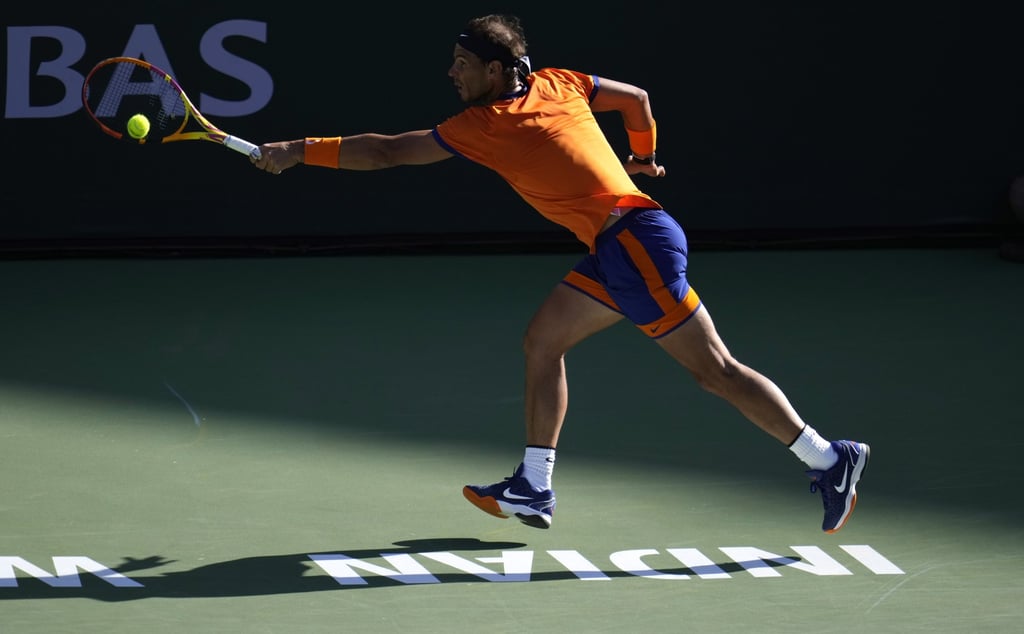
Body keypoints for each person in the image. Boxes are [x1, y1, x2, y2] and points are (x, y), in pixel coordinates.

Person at [251, 14, 870, 533]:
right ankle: (534, 486)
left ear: (494, 72)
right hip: (620, 245)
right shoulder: (560, 82)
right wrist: (644, 157)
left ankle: (827, 457)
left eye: (461, 64)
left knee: (715, 372)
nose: (451, 73)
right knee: (543, 342)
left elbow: (385, 150)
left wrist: (299, 150)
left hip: (635, 244)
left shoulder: (485, 125)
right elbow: (637, 101)